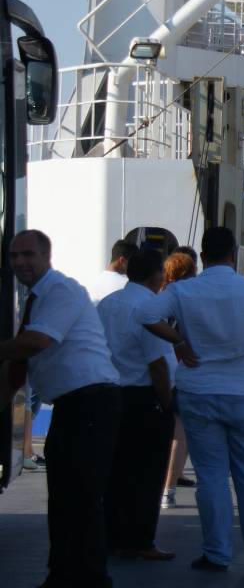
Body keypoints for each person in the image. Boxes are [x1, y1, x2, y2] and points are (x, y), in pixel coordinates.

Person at [137, 227, 244, 573]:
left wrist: (178, 342)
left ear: (202, 256)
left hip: (198, 390)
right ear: (234, 256)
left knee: (211, 476)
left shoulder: (183, 290)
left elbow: (145, 315)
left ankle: (216, 553)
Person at [0, 229, 122, 588]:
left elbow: (36, 342)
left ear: (46, 256)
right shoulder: (38, 297)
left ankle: (91, 579)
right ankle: (63, 576)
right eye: (14, 256)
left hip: (92, 401)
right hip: (75, 404)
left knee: (82, 497)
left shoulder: (62, 290)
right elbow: (20, 363)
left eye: (28, 255)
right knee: (64, 497)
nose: (20, 262)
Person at [97, 247, 177, 561]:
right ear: (157, 275)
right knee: (147, 473)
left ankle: (111, 536)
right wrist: (167, 403)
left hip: (110, 394)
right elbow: (157, 364)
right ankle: (141, 539)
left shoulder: (108, 303)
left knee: (115, 471)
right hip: (144, 397)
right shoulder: (149, 308)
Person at [160, 248, 198, 509]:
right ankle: (168, 490)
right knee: (179, 434)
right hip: (177, 371)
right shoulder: (186, 299)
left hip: (147, 371)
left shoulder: (156, 296)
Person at [81, 238, 139, 304]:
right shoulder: (127, 284)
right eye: (132, 262)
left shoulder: (92, 281)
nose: (134, 265)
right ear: (122, 260)